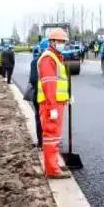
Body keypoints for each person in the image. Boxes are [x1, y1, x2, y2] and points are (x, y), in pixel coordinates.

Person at [37, 29, 73, 179]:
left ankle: (54, 165)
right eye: (61, 42)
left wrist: (67, 96)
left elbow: (60, 82)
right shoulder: (48, 59)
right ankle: (52, 170)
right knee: (51, 136)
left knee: (55, 136)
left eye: (64, 42)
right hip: (50, 104)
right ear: (52, 42)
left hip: (57, 103)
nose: (63, 44)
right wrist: (52, 108)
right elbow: (49, 85)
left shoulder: (56, 57)